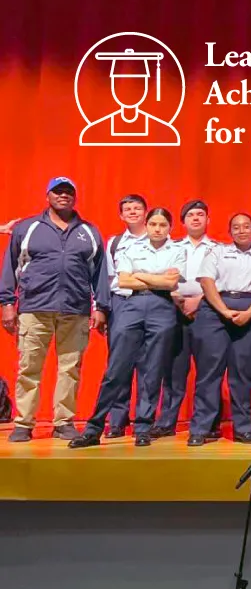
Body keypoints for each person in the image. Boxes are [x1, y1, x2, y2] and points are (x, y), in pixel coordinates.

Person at [1, 177, 108, 442]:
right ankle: (24, 424)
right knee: (29, 368)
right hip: (34, 308)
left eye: (69, 192)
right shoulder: (28, 228)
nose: (63, 196)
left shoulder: (89, 232)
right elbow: (9, 268)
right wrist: (6, 304)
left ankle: (64, 422)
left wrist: (101, 308)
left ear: (75, 197)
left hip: (75, 309)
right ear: (47, 195)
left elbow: (100, 274)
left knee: (70, 368)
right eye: (58, 192)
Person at [69, 208, 184, 448]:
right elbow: (123, 280)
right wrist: (155, 278)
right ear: (147, 224)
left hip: (162, 308)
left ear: (169, 228)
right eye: (153, 224)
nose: (157, 229)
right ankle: (94, 428)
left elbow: (171, 282)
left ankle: (143, 427)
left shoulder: (177, 249)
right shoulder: (130, 247)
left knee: (152, 371)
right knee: (116, 370)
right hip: (131, 305)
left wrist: (140, 274)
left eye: (163, 225)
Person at [189, 213, 251, 445]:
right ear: (230, 232)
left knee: (242, 375)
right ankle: (200, 429)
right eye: (236, 227)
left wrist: (249, 313)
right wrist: (224, 311)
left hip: (250, 311)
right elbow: (207, 282)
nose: (241, 230)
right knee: (209, 373)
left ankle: (243, 428)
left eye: (246, 226)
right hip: (216, 311)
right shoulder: (216, 251)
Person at [159, 199, 218, 438]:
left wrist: (200, 300)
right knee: (173, 369)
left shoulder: (217, 248)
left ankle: (208, 423)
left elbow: (221, 279)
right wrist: (175, 297)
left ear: (207, 220)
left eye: (200, 214)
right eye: (191, 215)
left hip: (207, 311)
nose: (196, 218)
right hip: (175, 309)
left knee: (208, 370)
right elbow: (160, 275)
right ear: (182, 222)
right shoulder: (170, 247)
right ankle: (166, 422)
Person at [101, 194, 149, 438]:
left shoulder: (159, 238)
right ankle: (117, 420)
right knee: (119, 363)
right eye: (127, 209)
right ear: (121, 215)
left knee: (148, 363)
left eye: (137, 208)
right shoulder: (114, 242)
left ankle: (144, 421)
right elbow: (109, 279)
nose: (132, 212)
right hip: (121, 302)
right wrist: (103, 309)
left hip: (151, 302)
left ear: (146, 212)